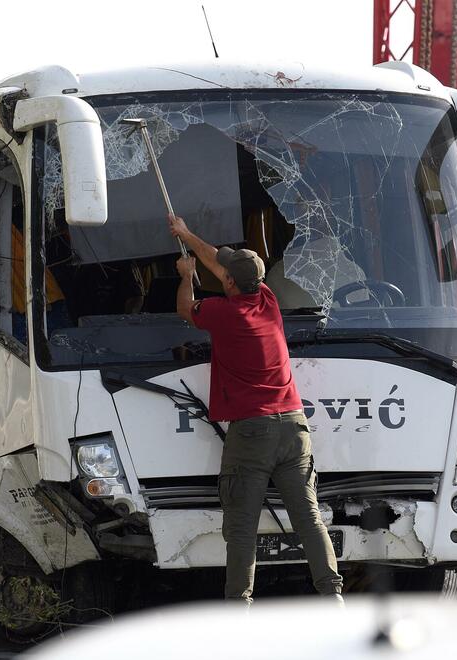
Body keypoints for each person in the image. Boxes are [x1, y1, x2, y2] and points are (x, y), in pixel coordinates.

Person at [169, 213, 343, 604]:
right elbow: (219, 261)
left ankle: (239, 608)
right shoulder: (268, 301)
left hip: (253, 432)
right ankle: (333, 597)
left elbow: (186, 308)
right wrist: (186, 233)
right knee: (308, 518)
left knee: (242, 525)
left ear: (229, 283)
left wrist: (184, 275)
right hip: (295, 428)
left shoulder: (223, 313)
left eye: (226, 274)